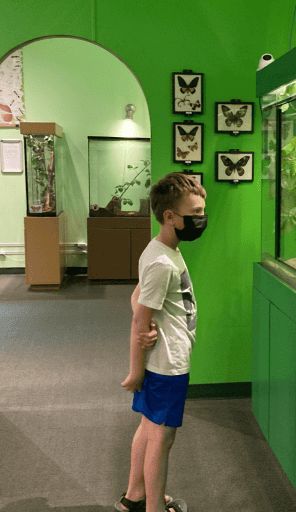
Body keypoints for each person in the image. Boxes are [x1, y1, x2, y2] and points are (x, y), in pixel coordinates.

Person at [116, 172, 207, 512]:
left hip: (165, 361)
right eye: (195, 213)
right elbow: (140, 320)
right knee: (162, 439)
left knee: (149, 428)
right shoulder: (160, 261)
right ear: (170, 217)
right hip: (166, 366)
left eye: (202, 211)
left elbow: (137, 299)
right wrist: (135, 371)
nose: (201, 219)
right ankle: (153, 507)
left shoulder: (162, 250)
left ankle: (134, 495)